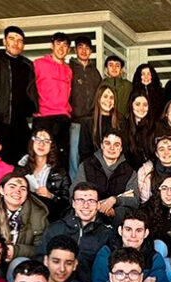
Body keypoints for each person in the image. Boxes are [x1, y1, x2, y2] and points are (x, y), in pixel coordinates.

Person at [38, 182, 114, 282]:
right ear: (73, 203)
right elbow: (40, 258)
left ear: (98, 205)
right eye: (80, 200)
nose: (86, 205)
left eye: (91, 201)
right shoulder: (56, 228)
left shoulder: (107, 233)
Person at [91, 210, 171, 282]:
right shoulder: (106, 253)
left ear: (146, 233)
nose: (133, 235)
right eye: (128, 229)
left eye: (139, 230)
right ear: (120, 231)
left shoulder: (153, 257)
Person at [0, 26, 38, 164]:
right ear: (4, 41)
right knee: (1, 163)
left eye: (19, 40)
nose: (16, 43)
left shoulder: (28, 65)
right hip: (0, 122)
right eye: (12, 39)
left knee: (23, 162)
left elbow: (33, 93)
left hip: (21, 124)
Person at [73, 129, 138, 222]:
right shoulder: (86, 165)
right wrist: (97, 205)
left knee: (124, 212)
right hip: (88, 214)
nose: (112, 148)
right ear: (102, 146)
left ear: (121, 149)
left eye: (116, 145)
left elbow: (135, 200)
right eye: (107, 143)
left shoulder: (129, 171)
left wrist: (114, 200)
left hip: (116, 219)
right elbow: (74, 193)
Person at [33, 32, 73, 164]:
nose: (61, 48)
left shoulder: (68, 70)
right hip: (43, 117)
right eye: (58, 44)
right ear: (52, 46)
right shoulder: (39, 64)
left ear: (68, 50)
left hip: (62, 116)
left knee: (61, 156)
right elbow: (29, 89)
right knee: (41, 156)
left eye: (65, 45)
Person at [20, 127, 72, 221]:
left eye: (46, 141)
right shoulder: (21, 168)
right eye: (38, 139)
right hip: (25, 214)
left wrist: (50, 196)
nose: (41, 144)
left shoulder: (60, 171)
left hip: (49, 216)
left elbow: (67, 202)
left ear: (52, 145)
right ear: (32, 143)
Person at [69, 35, 102, 177]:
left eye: (87, 48)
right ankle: (75, 186)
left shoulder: (95, 72)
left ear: (91, 51)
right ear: (75, 50)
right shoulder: (69, 69)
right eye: (80, 47)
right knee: (74, 156)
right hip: (75, 120)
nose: (83, 51)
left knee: (91, 154)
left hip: (92, 121)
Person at [136, 135, 171, 203]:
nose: (166, 152)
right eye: (161, 149)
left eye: (170, 149)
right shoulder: (144, 171)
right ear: (157, 154)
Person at [78, 84, 120, 165]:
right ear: (98, 99)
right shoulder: (87, 121)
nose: (108, 100)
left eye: (111, 98)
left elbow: (123, 150)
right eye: (105, 96)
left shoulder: (120, 121)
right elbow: (84, 152)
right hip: (93, 166)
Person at [122, 93, 156, 168]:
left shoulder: (154, 126)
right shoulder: (124, 126)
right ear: (131, 106)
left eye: (145, 105)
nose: (141, 108)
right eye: (137, 104)